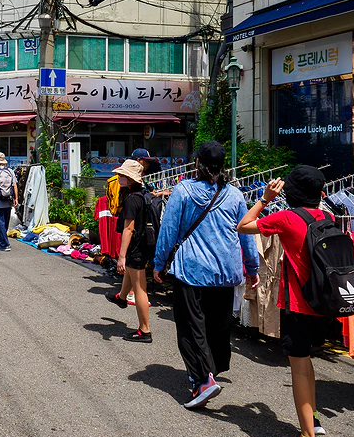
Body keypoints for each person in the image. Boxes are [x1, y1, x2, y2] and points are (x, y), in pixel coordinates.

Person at [152, 141, 259, 410]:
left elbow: (168, 230)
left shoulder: (183, 191)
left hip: (192, 270)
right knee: (218, 325)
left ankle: (202, 380)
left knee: (190, 326)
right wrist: (252, 267)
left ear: (197, 163)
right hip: (225, 271)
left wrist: (159, 263)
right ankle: (213, 369)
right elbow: (246, 233)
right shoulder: (234, 195)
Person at [237, 166, 332, 437]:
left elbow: (244, 225)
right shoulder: (327, 216)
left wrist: (265, 199)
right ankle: (312, 419)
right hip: (322, 305)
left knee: (299, 370)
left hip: (298, 307)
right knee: (307, 364)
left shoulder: (286, 218)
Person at [105, 159, 156, 343]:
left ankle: (145, 330)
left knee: (140, 288)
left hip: (136, 246)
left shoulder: (132, 199)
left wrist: (121, 255)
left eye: (123, 175)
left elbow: (128, 229)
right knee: (131, 274)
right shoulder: (142, 193)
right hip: (144, 244)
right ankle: (122, 297)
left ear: (131, 178)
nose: (119, 177)